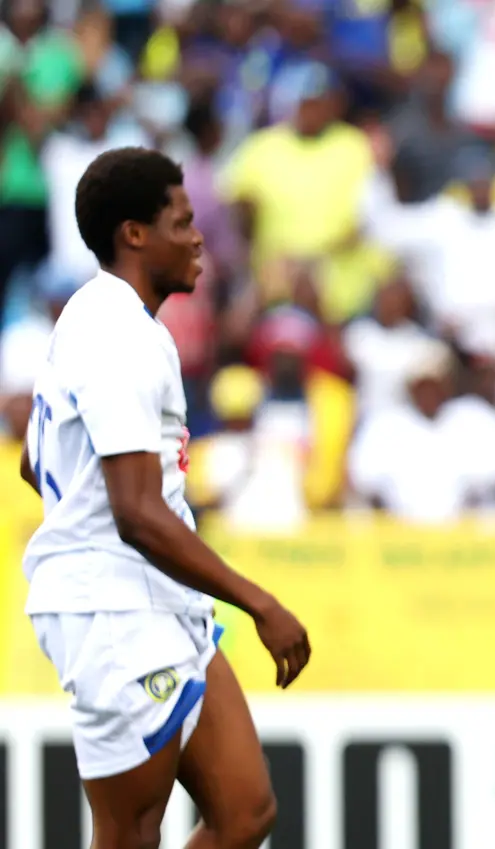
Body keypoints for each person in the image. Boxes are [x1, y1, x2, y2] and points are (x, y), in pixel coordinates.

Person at [18, 147, 311, 849]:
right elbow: (137, 514)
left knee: (245, 812)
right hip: (114, 611)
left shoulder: (103, 319)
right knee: (129, 833)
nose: (199, 237)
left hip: (160, 599)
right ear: (134, 234)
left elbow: (36, 462)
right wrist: (261, 603)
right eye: (181, 222)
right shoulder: (116, 335)